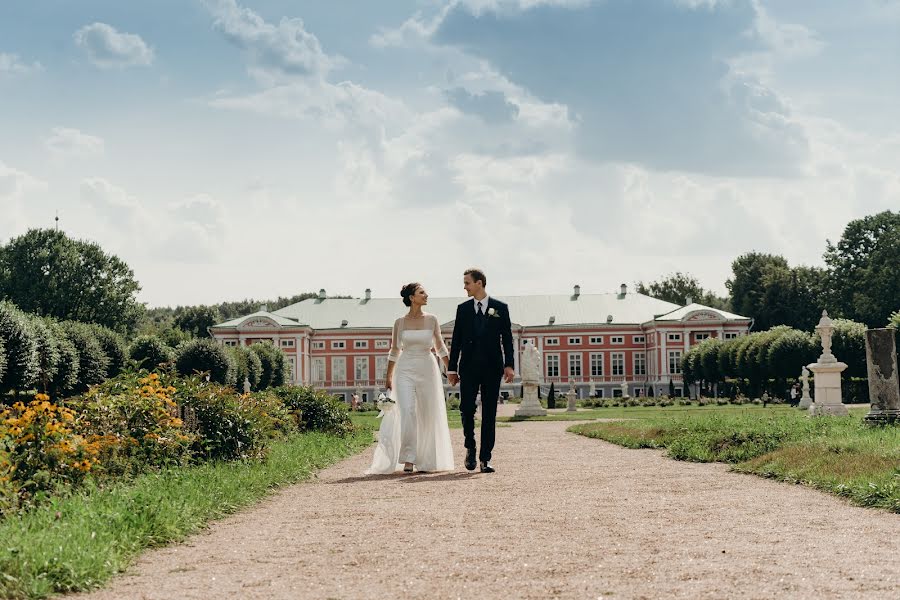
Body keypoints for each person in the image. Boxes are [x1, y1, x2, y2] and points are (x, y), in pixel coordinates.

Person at [366, 282, 454, 475]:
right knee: (407, 411)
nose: (426, 295)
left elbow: (440, 347)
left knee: (427, 413)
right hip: (404, 369)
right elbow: (395, 350)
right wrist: (388, 375)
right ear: (412, 298)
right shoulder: (400, 322)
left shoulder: (432, 320)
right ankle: (408, 458)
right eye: (422, 292)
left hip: (427, 368)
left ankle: (427, 459)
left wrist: (451, 369)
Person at [447, 268, 515, 473]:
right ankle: (470, 445)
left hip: (492, 367)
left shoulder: (499, 307)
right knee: (466, 409)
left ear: (479, 283)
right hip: (468, 367)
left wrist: (509, 364)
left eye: (467, 283)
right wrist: (452, 369)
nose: (464, 287)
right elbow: (456, 340)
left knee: (489, 413)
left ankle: (485, 458)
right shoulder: (463, 309)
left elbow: (507, 338)